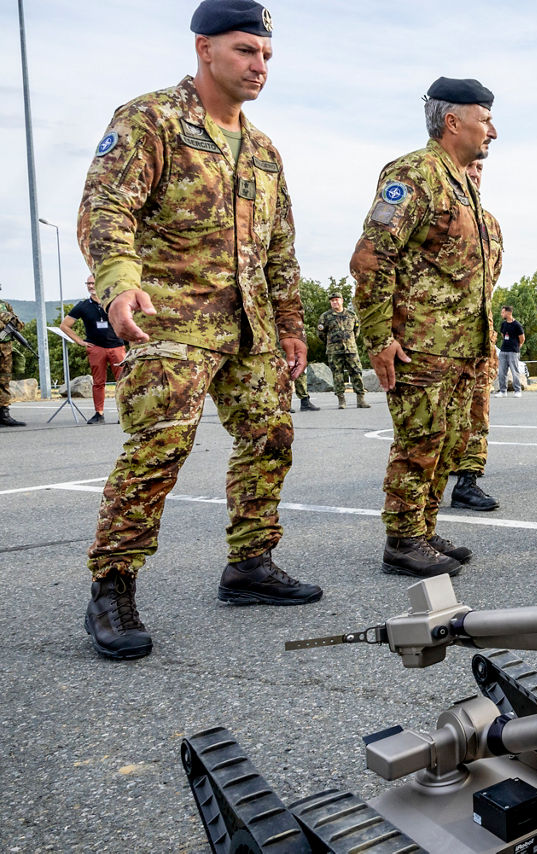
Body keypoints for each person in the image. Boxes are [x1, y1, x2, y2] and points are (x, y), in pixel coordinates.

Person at [77, 0, 323, 661]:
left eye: (267, 54)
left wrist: (292, 323)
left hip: (250, 330)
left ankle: (250, 565)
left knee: (272, 437)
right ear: (203, 48)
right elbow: (107, 208)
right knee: (159, 448)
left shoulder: (265, 152)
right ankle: (113, 583)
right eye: (246, 49)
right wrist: (119, 280)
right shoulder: (151, 119)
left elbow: (281, 248)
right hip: (172, 321)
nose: (259, 64)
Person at [351, 76, 496, 577]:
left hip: (459, 345)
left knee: (448, 441)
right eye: (485, 119)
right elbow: (372, 258)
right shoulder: (413, 174)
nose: (492, 131)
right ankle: (403, 539)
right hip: (420, 343)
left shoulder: (460, 183)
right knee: (419, 441)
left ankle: (424, 529)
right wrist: (378, 338)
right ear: (453, 121)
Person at [451, 158, 502, 512]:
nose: (473, 172)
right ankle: (418, 504)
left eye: (479, 168)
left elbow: (492, 276)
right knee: (436, 421)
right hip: (434, 338)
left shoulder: (490, 224)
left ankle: (468, 482)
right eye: (468, 166)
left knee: (477, 412)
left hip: (479, 335)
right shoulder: (435, 210)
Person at [60, 274, 127, 424]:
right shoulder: (83, 306)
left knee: (122, 381)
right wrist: (79, 341)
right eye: (88, 284)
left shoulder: (113, 302)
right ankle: (99, 413)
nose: (90, 286)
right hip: (96, 348)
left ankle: (124, 413)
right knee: (98, 382)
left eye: (93, 283)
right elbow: (64, 325)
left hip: (116, 346)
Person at [317, 289, 368, 408]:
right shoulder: (325, 317)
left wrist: (349, 341)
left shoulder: (351, 315)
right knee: (337, 375)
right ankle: (341, 401)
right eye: (332, 301)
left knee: (356, 372)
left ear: (342, 301)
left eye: (337, 300)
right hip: (334, 351)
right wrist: (331, 343)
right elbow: (321, 334)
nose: (335, 302)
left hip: (351, 350)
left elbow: (356, 331)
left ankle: (361, 399)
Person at [0, 283, 27, 427]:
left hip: (5, 352)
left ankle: (4, 414)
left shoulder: (5, 306)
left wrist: (10, 319)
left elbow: (20, 325)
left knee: (4, 382)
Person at [496, 305, 524, 397]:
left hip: (513, 352)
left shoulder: (517, 325)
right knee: (501, 372)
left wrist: (517, 347)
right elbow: (503, 335)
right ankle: (503, 391)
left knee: (515, 372)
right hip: (503, 351)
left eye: (503, 312)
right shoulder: (503, 324)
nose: (501, 314)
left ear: (508, 313)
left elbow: (522, 339)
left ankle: (517, 390)